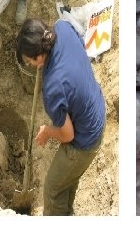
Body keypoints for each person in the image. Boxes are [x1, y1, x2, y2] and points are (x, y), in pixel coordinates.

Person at [16, 18, 106, 216]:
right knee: (67, 181)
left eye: (29, 61)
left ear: (39, 57)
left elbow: (67, 136)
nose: (30, 65)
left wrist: (47, 131)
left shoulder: (53, 89)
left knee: (52, 190)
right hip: (97, 106)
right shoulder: (62, 27)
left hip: (85, 140)